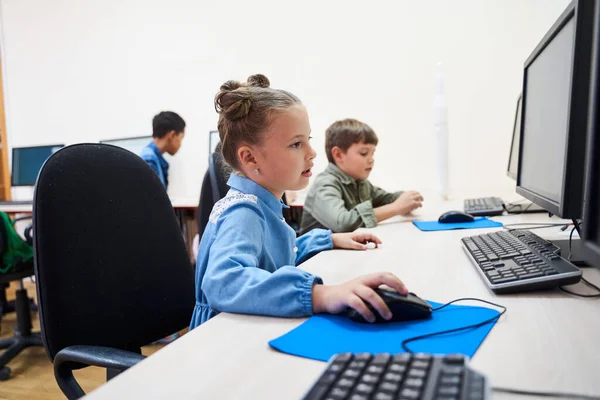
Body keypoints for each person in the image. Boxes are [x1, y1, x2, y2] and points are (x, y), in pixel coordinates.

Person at [190, 74, 408, 330]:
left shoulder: (262, 203)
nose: (312, 153)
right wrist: (320, 295)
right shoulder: (243, 212)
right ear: (250, 158)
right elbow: (222, 282)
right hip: (222, 336)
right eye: (296, 144)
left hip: (244, 325)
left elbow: (274, 256)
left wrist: (328, 240)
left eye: (308, 140)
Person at [300, 118, 423, 234]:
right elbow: (343, 223)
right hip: (319, 255)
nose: (371, 160)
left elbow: (386, 199)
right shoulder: (325, 184)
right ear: (338, 155)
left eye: (372, 153)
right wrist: (396, 207)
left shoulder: (361, 183)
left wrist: (407, 198)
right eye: (364, 153)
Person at [139, 111, 186, 189]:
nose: (180, 144)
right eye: (180, 139)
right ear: (172, 135)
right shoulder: (149, 159)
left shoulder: (153, 157)